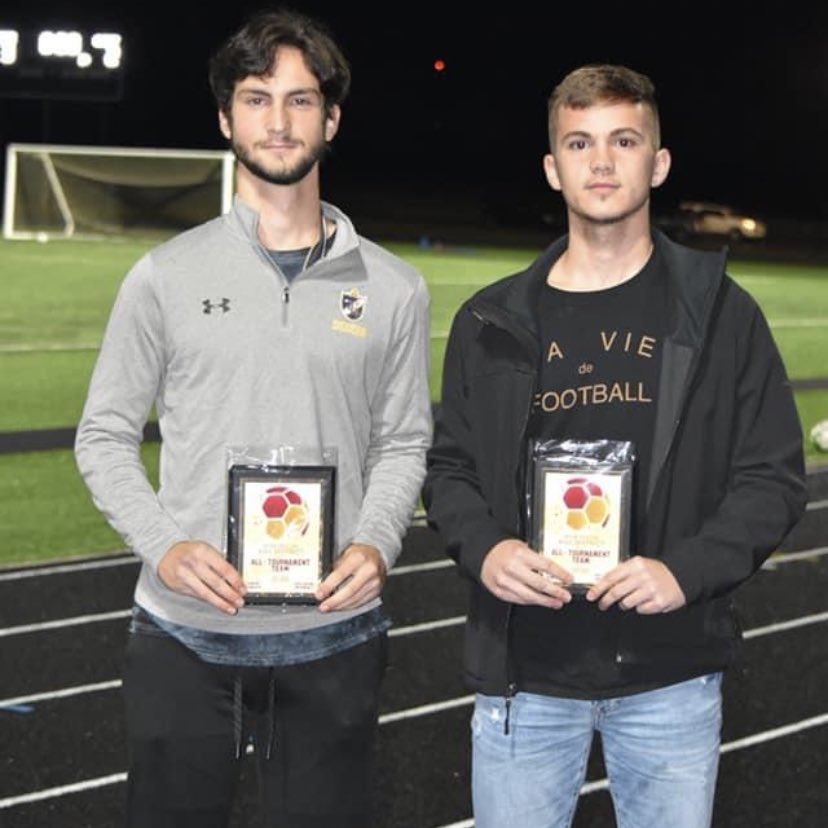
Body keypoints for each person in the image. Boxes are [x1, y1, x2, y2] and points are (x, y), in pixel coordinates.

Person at [422, 63, 806, 828]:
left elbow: (772, 478)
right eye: (579, 143)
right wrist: (489, 551)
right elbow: (450, 470)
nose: (601, 162)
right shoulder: (489, 320)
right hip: (525, 676)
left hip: (668, 672)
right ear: (552, 167)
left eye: (623, 140)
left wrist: (683, 571)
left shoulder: (723, 315)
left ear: (657, 163)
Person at [74, 8, 431, 827]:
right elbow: (103, 436)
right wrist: (164, 547)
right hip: (184, 641)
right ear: (226, 117)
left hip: (333, 639)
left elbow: (406, 440)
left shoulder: (394, 287)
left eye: (301, 100)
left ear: (331, 119)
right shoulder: (163, 276)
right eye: (257, 97)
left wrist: (377, 543)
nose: (279, 120)